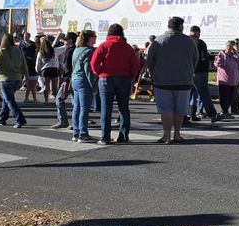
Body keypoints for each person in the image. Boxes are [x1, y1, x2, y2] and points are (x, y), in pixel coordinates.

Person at [147, 16, 199, 144]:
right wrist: (189, 71)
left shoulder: (159, 40)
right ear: (181, 27)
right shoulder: (189, 41)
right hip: (184, 80)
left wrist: (155, 74)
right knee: (180, 110)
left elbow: (150, 60)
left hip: (163, 81)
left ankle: (166, 136)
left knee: (166, 109)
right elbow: (195, 59)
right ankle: (177, 134)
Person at [91, 23, 139, 145]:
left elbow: (94, 63)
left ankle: (105, 137)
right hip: (124, 78)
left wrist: (99, 73)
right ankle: (123, 136)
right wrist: (131, 76)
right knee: (123, 108)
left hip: (106, 78)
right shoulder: (127, 47)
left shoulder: (104, 46)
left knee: (106, 108)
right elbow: (135, 65)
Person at [0, 33, 29, 127]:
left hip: (5, 78)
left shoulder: (1, 51)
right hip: (17, 79)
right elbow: (24, 66)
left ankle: (20, 119)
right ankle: (2, 119)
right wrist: (26, 77)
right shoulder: (19, 51)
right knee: (6, 99)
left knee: (9, 100)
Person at [187, 25, 220, 123]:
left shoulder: (186, 42)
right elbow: (203, 58)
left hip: (188, 72)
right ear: (199, 33)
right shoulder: (200, 43)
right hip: (199, 72)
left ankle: (187, 115)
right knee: (204, 94)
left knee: (188, 94)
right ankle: (212, 114)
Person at [70, 30, 97, 142]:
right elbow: (88, 71)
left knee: (76, 108)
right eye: (94, 36)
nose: (95, 38)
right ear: (90, 38)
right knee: (84, 109)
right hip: (83, 81)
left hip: (75, 80)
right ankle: (83, 134)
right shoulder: (88, 51)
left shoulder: (77, 50)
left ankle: (76, 133)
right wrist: (94, 87)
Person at [213, 40, 239, 118]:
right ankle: (224, 111)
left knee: (230, 98)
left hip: (233, 81)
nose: (230, 48)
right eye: (229, 46)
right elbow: (217, 64)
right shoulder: (221, 54)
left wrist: (236, 53)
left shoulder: (234, 56)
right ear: (226, 46)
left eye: (232, 46)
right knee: (223, 97)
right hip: (223, 81)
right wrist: (219, 57)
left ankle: (226, 111)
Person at [35, 36, 60, 102]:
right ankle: (57, 100)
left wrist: (38, 71)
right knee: (55, 86)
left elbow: (38, 64)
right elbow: (63, 49)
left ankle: (46, 100)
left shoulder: (40, 53)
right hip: (54, 69)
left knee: (46, 85)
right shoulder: (54, 50)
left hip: (45, 70)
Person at [20, 32, 40, 103]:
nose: (25, 37)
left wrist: (32, 58)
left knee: (32, 85)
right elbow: (19, 52)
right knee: (29, 84)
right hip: (24, 65)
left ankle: (32, 98)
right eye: (24, 36)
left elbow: (36, 53)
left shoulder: (33, 44)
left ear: (29, 37)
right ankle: (28, 98)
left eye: (26, 36)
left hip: (32, 65)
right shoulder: (21, 44)